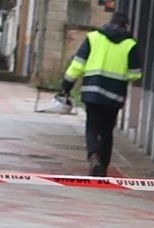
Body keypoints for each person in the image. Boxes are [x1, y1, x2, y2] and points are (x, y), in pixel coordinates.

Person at [58, 11, 142, 177]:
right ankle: (102, 168)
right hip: (115, 94)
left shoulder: (93, 37)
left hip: (92, 91)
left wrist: (66, 86)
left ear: (109, 22)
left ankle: (94, 157)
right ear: (126, 26)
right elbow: (135, 74)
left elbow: (78, 65)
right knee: (107, 131)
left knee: (92, 126)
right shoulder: (130, 44)